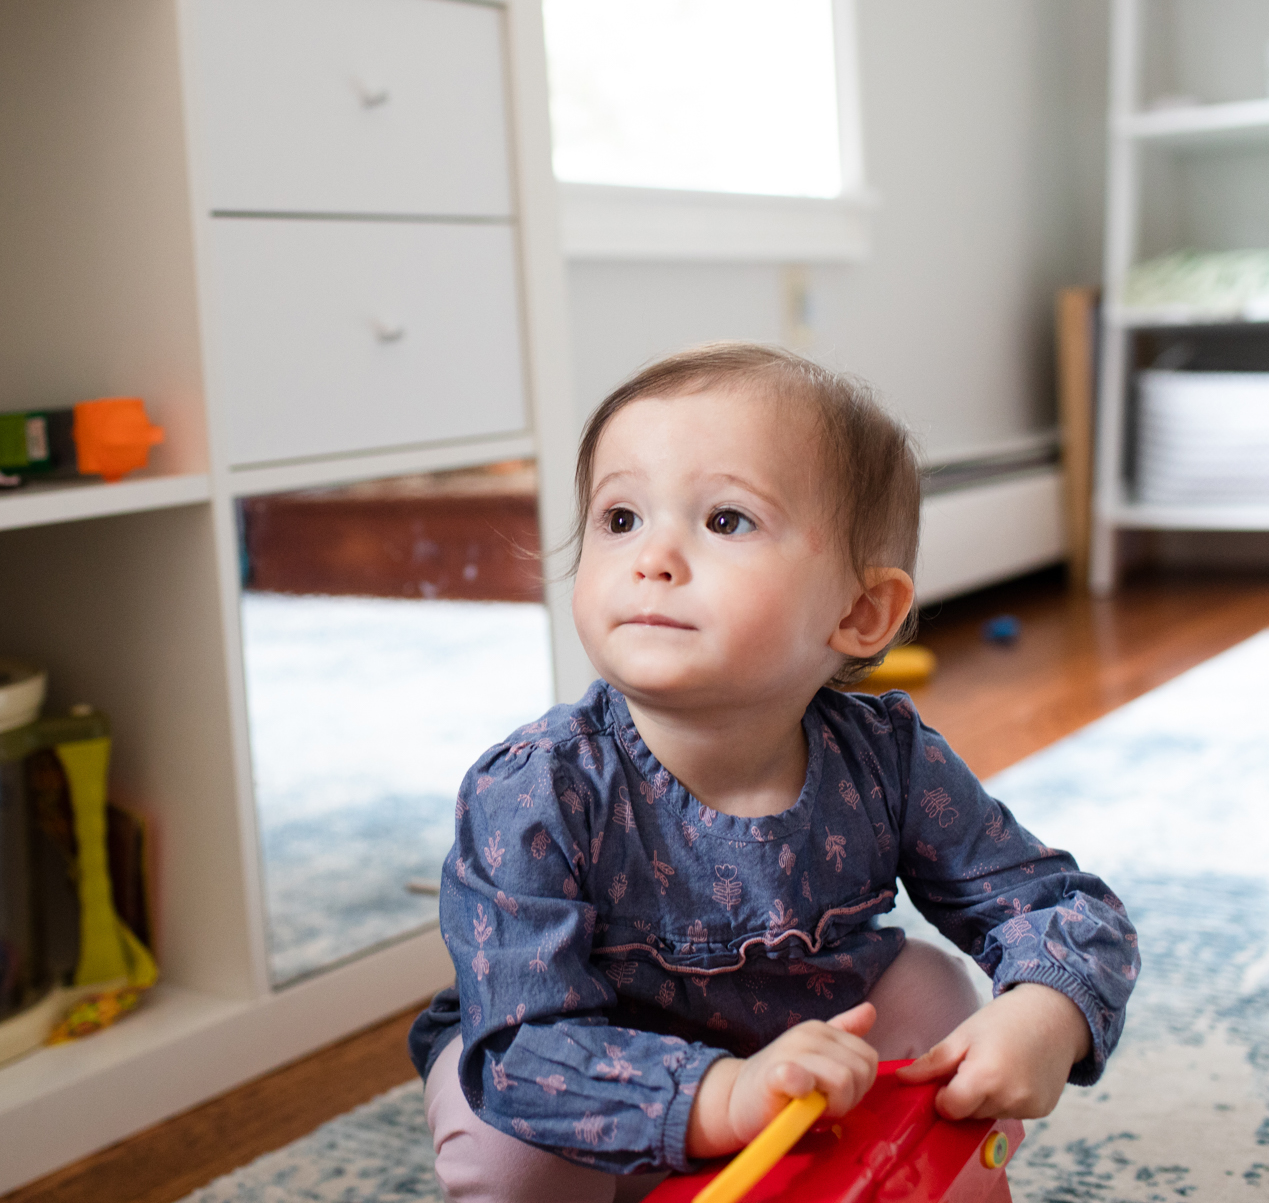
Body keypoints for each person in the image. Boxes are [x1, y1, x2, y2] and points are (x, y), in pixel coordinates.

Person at [408, 342, 1139, 1203]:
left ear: (861, 612)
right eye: (620, 518)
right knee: (504, 1152)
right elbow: (525, 1049)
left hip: (814, 1036)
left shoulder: (888, 758)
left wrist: (1046, 1011)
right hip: (583, 1065)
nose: (653, 557)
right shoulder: (532, 791)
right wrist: (717, 1095)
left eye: (725, 521)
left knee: (938, 993)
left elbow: (1062, 904)